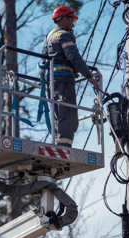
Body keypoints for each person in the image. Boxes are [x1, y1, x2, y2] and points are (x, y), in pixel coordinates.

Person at [41, 5, 100, 148]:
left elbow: (43, 61)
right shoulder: (64, 34)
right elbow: (74, 57)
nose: (73, 23)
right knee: (69, 115)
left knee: (58, 114)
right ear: (64, 19)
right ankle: (64, 148)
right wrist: (90, 77)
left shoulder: (49, 37)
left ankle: (58, 144)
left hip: (52, 82)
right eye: (71, 19)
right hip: (64, 81)